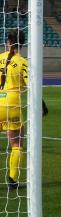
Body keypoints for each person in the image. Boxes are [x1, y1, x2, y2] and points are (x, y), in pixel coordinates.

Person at [0, 33, 27, 189]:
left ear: (8, 42)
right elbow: (31, 84)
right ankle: (12, 179)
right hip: (12, 102)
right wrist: (42, 103)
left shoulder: (0, 57)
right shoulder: (22, 62)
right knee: (16, 143)